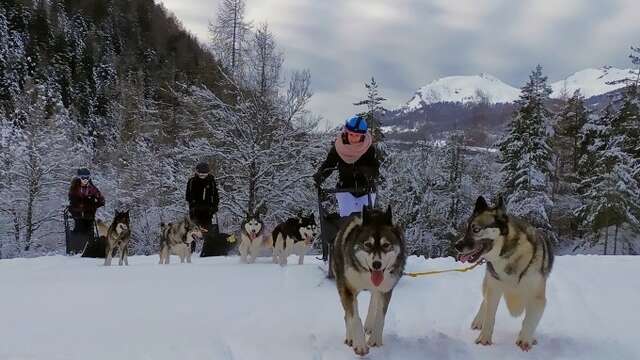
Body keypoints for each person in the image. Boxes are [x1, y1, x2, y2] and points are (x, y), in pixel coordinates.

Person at [314, 115, 380, 217]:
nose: (353, 138)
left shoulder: (369, 149)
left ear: (362, 135)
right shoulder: (338, 147)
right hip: (345, 189)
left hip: (366, 190)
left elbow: (375, 169)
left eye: (357, 135)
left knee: (366, 222)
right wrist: (320, 176)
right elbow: (329, 163)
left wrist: (364, 171)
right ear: (346, 132)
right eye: (351, 134)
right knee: (347, 221)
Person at [68, 168, 105, 236]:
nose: (85, 180)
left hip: (89, 215)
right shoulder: (74, 188)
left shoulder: (92, 189)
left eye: (87, 178)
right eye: (83, 178)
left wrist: (94, 205)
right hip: (77, 215)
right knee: (78, 231)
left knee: (89, 233)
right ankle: (76, 243)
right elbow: (71, 201)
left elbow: (101, 199)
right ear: (79, 178)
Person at [186, 162, 220, 230]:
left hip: (208, 211)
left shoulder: (211, 181)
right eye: (201, 174)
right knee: (195, 231)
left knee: (208, 231)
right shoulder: (192, 182)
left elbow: (215, 195)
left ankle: (208, 240)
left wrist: (214, 207)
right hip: (195, 211)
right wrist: (192, 206)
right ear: (197, 172)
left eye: (204, 174)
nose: (202, 176)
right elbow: (188, 196)